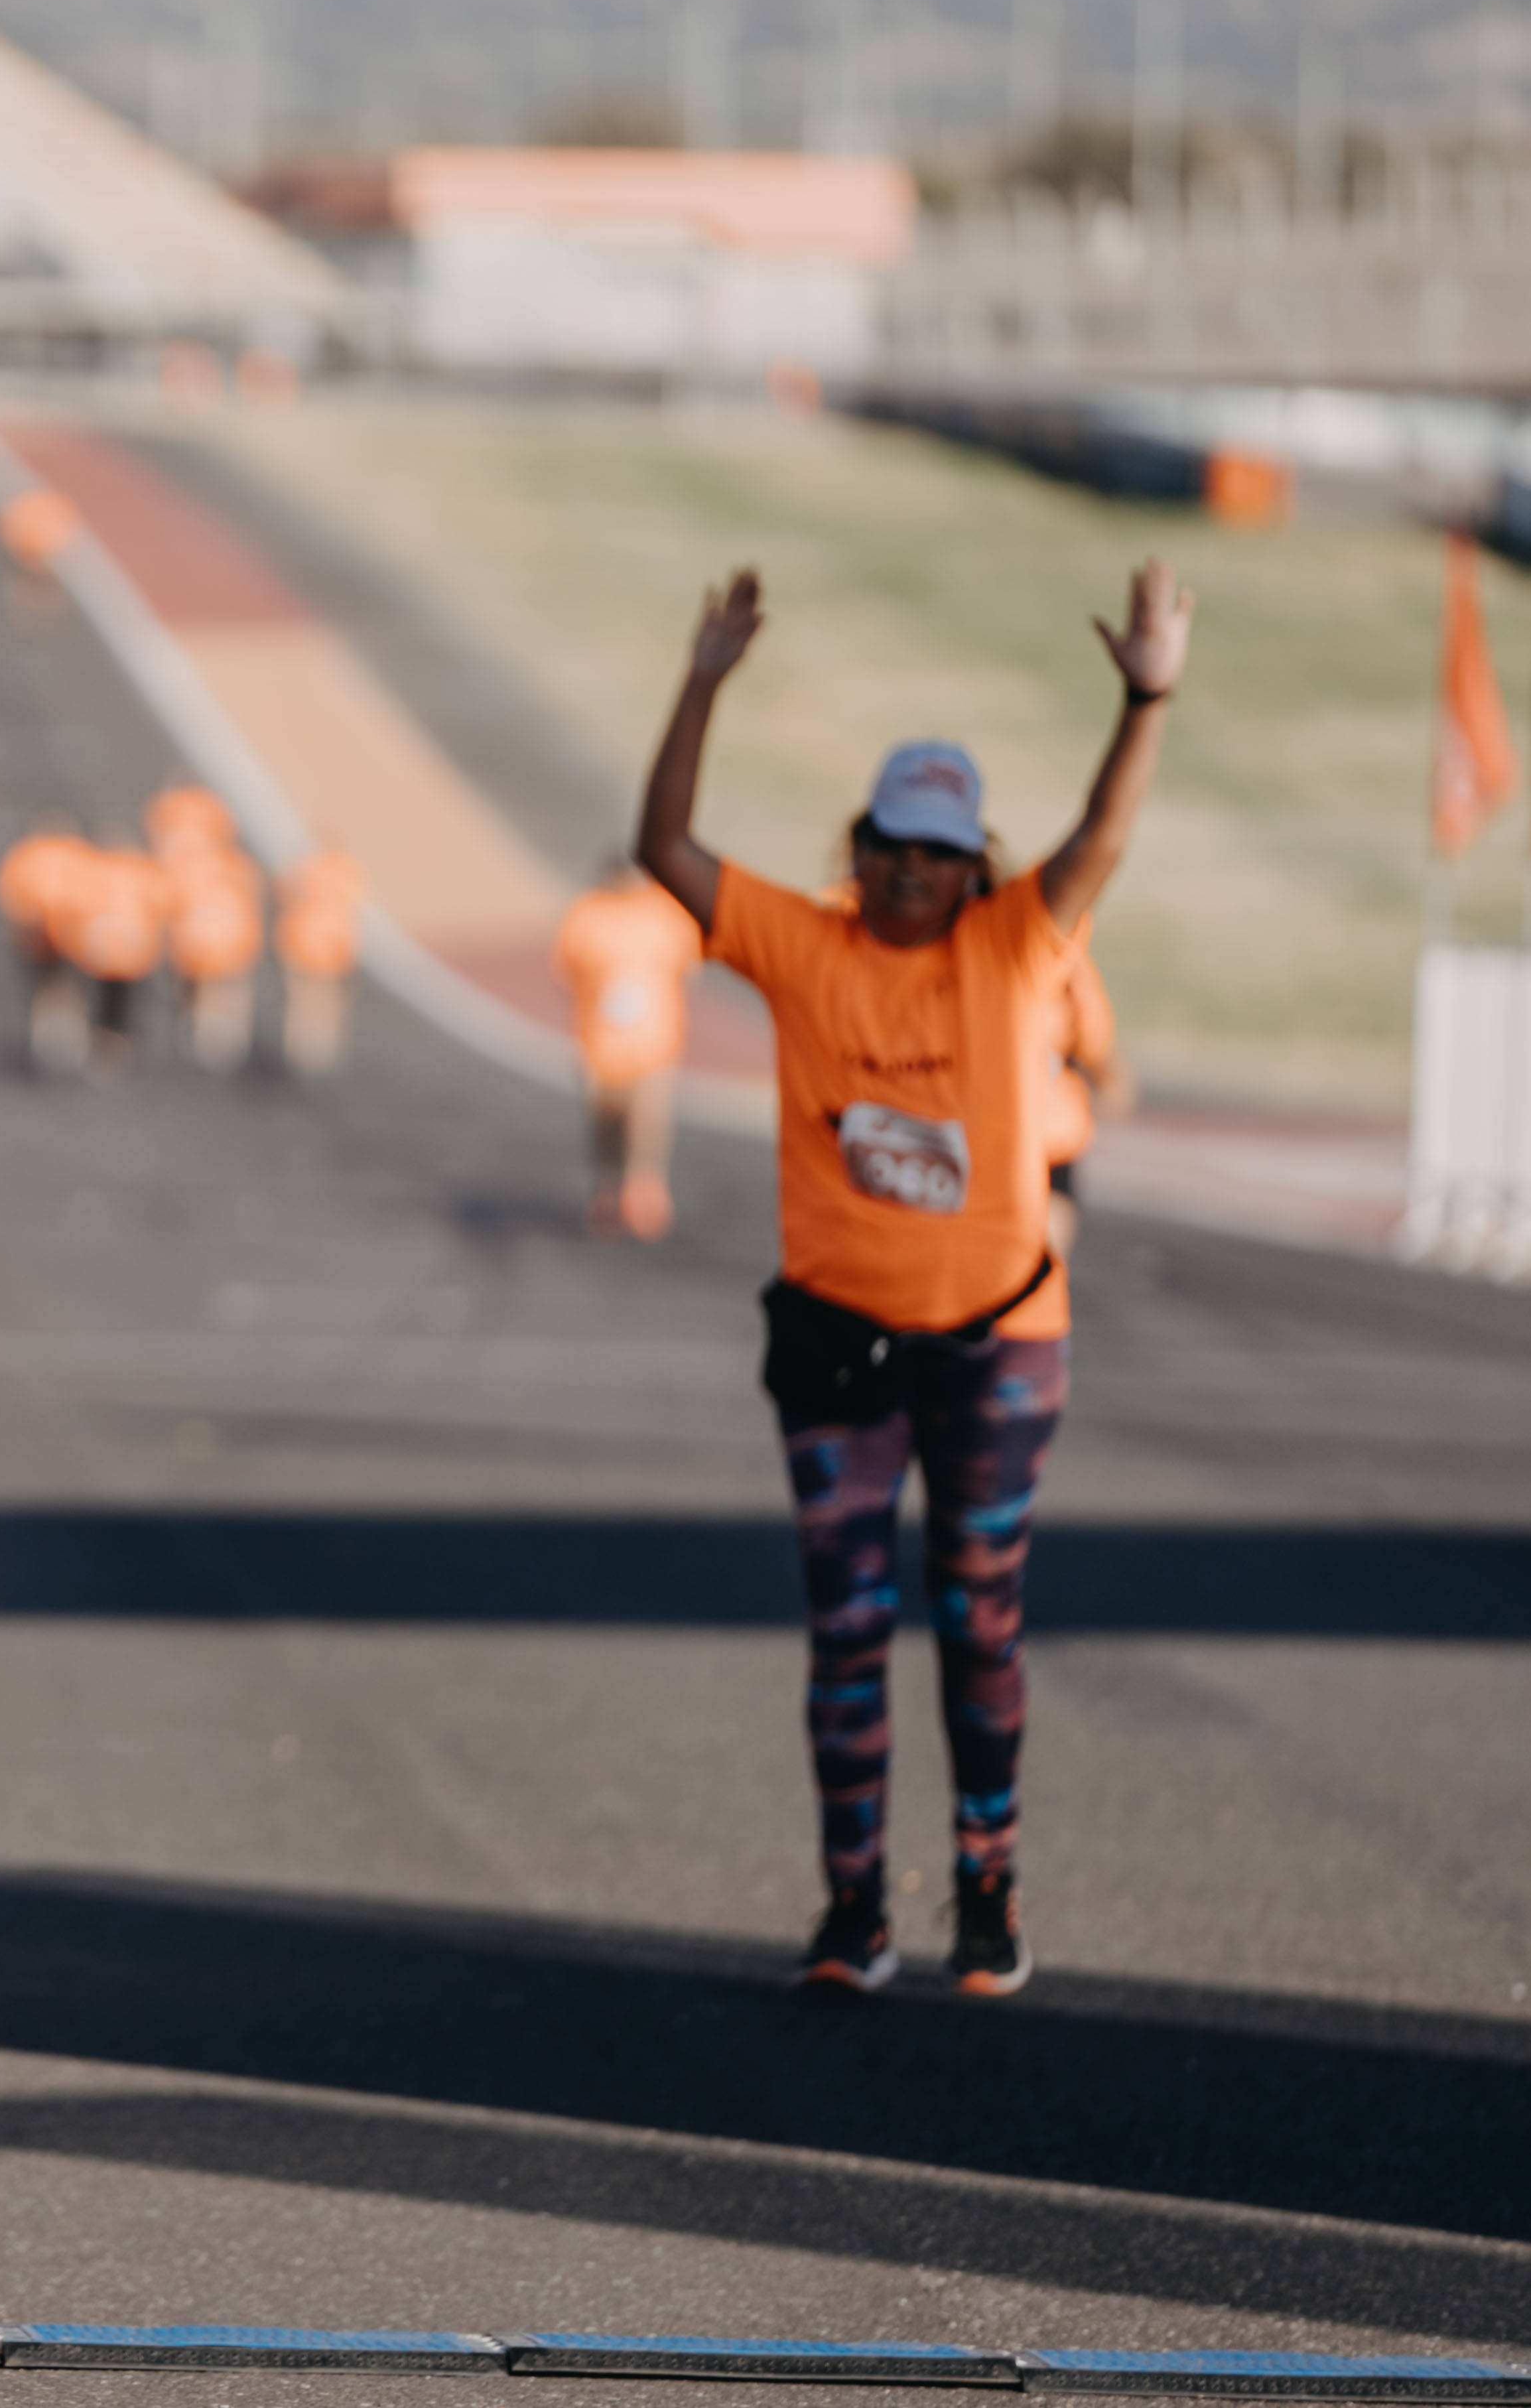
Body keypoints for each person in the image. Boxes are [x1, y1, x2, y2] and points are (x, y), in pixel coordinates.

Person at [636, 560, 1191, 2000]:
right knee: (843, 1624)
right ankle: (850, 1904)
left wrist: (1146, 695)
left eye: (938, 852)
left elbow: (1108, 833)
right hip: (835, 1346)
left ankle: (987, 1881)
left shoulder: (1015, 948)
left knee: (978, 1613)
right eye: (889, 844)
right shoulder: (801, 945)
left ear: (973, 865)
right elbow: (663, 845)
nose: (909, 871)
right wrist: (702, 678)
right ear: (860, 844)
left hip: (997, 1349)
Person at [550, 858, 704, 1240]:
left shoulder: (665, 912)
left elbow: (689, 964)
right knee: (606, 1122)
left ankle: (645, 1189)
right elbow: (568, 968)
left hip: (654, 1041)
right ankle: (607, 1188)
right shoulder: (589, 912)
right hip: (601, 1044)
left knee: (648, 1118)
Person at [146, 785, 265, 1077]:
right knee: (214, 986)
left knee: (221, 987)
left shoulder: (225, 867)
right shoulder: (222, 866)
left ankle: (219, 1031)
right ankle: (214, 1031)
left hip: (219, 934)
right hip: (211, 935)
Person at [45, 827, 168, 1079]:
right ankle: (115, 1051)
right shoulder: (141, 873)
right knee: (121, 1006)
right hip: (131, 953)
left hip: (98, 952)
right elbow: (161, 908)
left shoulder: (93, 872)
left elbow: (72, 909)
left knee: (100, 1004)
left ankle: (102, 1050)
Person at [1038, 940, 1133, 1260]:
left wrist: (1108, 1081)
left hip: (1049, 1142)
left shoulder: (1068, 968)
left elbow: (1100, 1057)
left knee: (1043, 1258)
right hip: (1031, 1138)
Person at [0, 813, 94, 1077]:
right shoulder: (74, 855)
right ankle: (60, 1043)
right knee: (60, 990)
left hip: (53, 936)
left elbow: (10, 893)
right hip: (58, 937)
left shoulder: (30, 855)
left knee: (52, 990)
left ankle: (55, 1043)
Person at [273, 846, 365, 1074]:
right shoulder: (344, 872)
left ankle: (303, 1044)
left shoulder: (303, 870)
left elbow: (283, 897)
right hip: (326, 944)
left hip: (310, 942)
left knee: (306, 997)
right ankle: (317, 1045)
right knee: (323, 997)